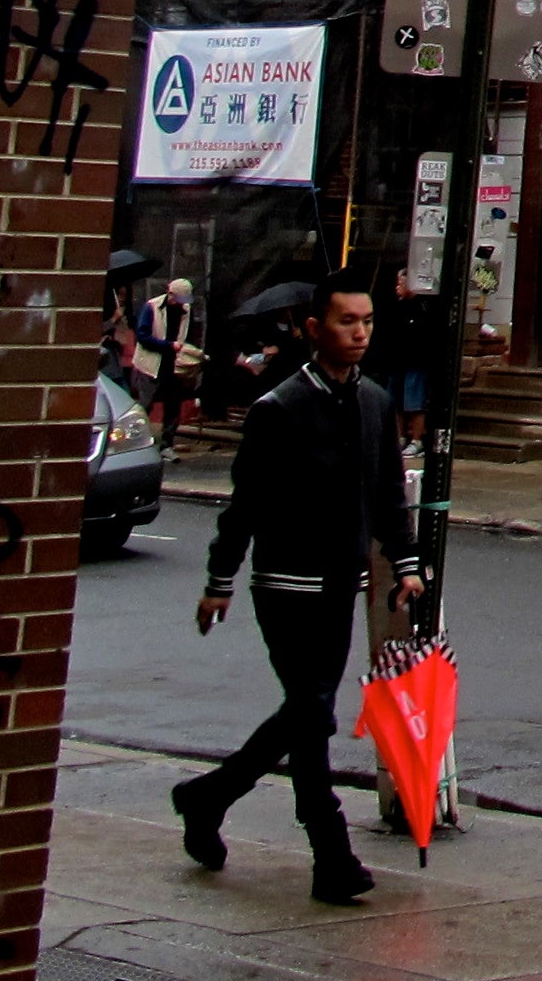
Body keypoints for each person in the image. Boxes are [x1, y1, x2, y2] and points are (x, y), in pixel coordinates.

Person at [175, 273, 421, 903]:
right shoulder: (279, 408)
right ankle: (331, 854)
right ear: (314, 329)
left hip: (343, 583)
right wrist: (218, 580)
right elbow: (245, 505)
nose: (360, 332)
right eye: (346, 321)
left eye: (367, 321)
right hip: (285, 584)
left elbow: (389, 495)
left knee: (306, 714)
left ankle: (208, 797)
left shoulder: (372, 401)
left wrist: (408, 564)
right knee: (311, 710)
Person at [136, 277, 202, 445]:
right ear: (170, 293)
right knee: (145, 404)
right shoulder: (152, 307)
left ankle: (167, 443)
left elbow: (187, 336)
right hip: (151, 364)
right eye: (178, 299)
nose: (181, 304)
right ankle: (137, 440)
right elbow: (142, 337)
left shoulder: (186, 311)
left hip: (174, 365)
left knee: (173, 406)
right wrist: (167, 345)